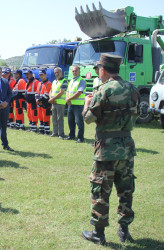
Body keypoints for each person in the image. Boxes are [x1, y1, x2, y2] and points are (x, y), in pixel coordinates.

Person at [81, 54, 140, 245]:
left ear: (103, 69)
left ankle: (98, 233)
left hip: (106, 150)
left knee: (100, 190)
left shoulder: (103, 90)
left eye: (98, 68)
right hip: (126, 148)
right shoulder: (132, 88)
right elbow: (134, 115)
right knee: (125, 190)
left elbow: (88, 118)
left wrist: (86, 104)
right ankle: (124, 230)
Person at [65, 65, 86, 143]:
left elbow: (79, 93)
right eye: (73, 71)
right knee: (70, 122)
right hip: (70, 105)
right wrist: (67, 99)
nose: (74, 72)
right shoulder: (71, 81)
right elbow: (67, 91)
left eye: (76, 70)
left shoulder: (82, 81)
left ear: (79, 71)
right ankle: (71, 135)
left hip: (78, 105)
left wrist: (68, 99)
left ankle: (80, 138)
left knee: (79, 122)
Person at [49, 67, 68, 139]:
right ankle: (55, 133)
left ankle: (61, 134)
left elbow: (61, 92)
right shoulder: (54, 81)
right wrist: (51, 98)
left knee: (60, 119)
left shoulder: (64, 81)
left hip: (60, 103)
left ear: (61, 72)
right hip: (54, 102)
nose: (57, 74)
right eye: (55, 73)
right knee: (54, 118)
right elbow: (50, 91)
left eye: (58, 72)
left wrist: (52, 99)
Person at [36, 69, 52, 135]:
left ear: (45, 75)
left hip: (45, 103)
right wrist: (37, 99)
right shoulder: (39, 83)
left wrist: (39, 100)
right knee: (40, 117)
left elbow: (47, 94)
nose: (41, 76)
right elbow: (36, 93)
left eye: (42, 75)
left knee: (46, 117)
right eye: (40, 75)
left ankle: (47, 131)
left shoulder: (48, 83)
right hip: (39, 103)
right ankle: (41, 130)